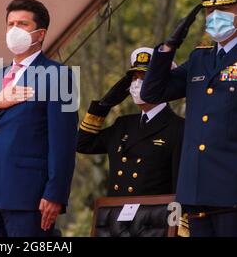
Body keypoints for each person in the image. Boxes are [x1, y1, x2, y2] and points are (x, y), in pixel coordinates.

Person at [141, 0, 237, 236]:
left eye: (224, 8)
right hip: (196, 189)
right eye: (209, 10)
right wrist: (168, 46)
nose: (214, 16)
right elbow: (152, 93)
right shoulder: (199, 59)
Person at [0, 0, 78, 237]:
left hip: (29, 196)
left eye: (22, 24)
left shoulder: (58, 75)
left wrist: (55, 193)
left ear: (40, 34)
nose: (14, 30)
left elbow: (64, 142)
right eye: (10, 24)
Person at [77, 47, 184, 196]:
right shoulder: (123, 125)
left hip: (152, 215)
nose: (137, 84)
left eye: (144, 77)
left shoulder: (179, 128)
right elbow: (83, 144)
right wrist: (103, 106)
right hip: (116, 214)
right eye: (134, 78)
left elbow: (180, 184)